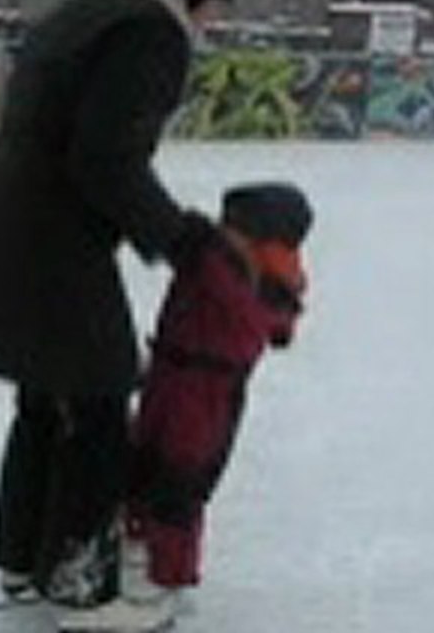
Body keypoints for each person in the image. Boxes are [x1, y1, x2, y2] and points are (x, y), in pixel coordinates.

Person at [0, 0, 248, 629]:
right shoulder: (148, 31)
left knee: (49, 398)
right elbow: (105, 162)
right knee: (101, 396)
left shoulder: (88, 10)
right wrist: (188, 243)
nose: (219, 15)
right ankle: (81, 588)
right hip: (52, 247)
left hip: (7, 231)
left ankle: (23, 561)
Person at [124, 183, 312, 603]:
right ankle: (138, 546)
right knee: (142, 461)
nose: (223, 230)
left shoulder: (241, 271)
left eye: (234, 225)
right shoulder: (235, 263)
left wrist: (191, 237)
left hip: (204, 395)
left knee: (180, 478)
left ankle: (165, 580)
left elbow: (254, 315)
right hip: (171, 379)